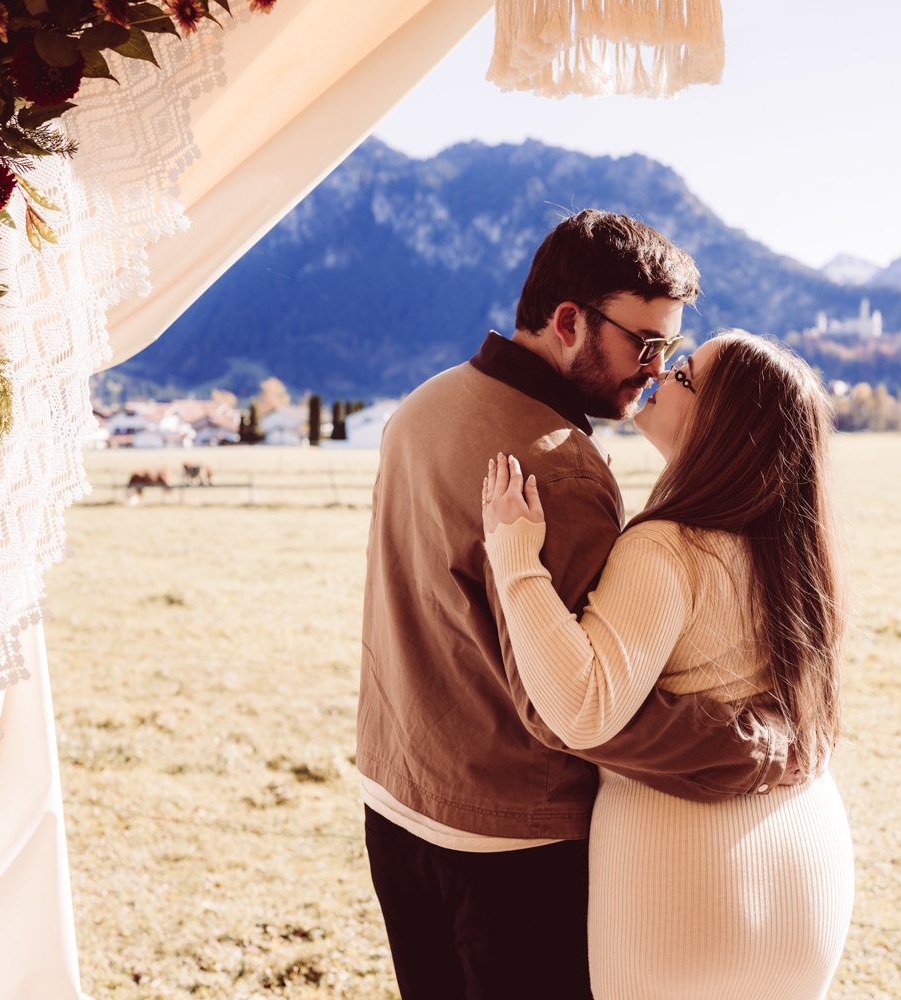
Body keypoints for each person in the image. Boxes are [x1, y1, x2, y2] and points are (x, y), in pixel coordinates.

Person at [357, 211, 793, 999]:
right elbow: (577, 702)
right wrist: (752, 748)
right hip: (509, 847)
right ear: (569, 323)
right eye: (648, 344)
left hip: (394, 803)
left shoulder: (421, 406)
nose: (655, 369)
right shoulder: (559, 469)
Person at [481, 332, 856, 1000]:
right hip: (808, 868)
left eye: (683, 373)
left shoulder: (666, 548)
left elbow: (585, 708)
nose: (659, 370)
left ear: (722, 423)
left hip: (684, 889)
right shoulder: (798, 552)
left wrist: (516, 562)